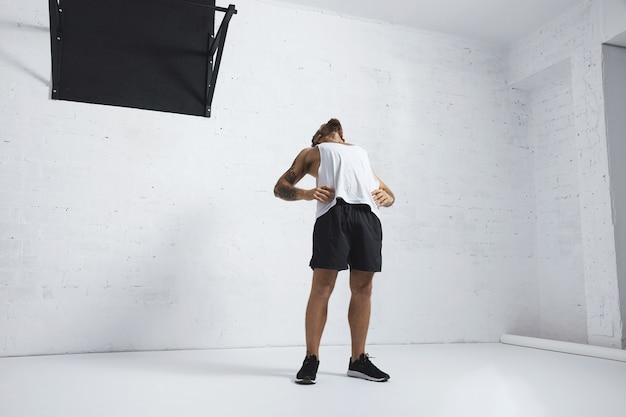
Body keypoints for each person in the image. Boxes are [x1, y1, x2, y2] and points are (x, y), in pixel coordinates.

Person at [273, 118, 395, 385]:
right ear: (317, 138)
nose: (323, 128)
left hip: (367, 216)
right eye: (317, 131)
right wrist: (306, 193)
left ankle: (358, 361)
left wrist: (389, 197)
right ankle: (311, 359)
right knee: (322, 288)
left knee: (364, 289)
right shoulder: (313, 152)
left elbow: (383, 188)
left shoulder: (360, 153)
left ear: (342, 135)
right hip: (333, 213)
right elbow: (280, 188)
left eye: (325, 128)